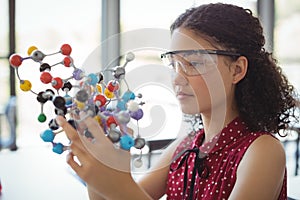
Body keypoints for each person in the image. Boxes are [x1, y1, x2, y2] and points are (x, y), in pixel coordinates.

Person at [56, 3, 298, 200]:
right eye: (173, 64)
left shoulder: (263, 151)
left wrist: (117, 185)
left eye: (194, 63)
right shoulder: (184, 146)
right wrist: (103, 167)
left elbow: (124, 194)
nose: (177, 79)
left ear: (237, 69)